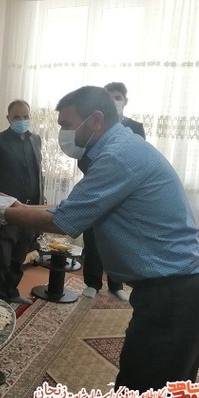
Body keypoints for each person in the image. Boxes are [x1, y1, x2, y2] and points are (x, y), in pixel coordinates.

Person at [0, 86, 199, 393]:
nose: (63, 134)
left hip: (174, 294)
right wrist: (18, 207)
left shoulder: (118, 157)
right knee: (160, 386)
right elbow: (71, 208)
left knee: (144, 390)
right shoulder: (121, 148)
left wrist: (3, 214)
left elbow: (64, 220)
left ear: (96, 120)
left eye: (67, 125)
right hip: (176, 289)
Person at [80, 82, 145, 300]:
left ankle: (116, 284)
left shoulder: (136, 127)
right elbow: (83, 157)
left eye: (118, 97)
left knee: (118, 241)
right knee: (93, 238)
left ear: (125, 101)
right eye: (109, 97)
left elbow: (139, 157)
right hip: (96, 187)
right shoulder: (96, 125)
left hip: (123, 192)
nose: (114, 101)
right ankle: (92, 282)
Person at [0, 99, 44, 305]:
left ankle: (12, 292)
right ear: (8, 118)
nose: (21, 120)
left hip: (29, 210)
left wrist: (39, 203)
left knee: (19, 256)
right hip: (5, 210)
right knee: (1, 257)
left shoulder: (36, 139)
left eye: (25, 116)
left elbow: (38, 173)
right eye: (17, 117)